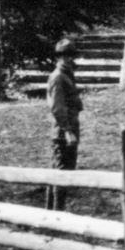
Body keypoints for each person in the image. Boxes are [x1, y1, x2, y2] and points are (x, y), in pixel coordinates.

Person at [45, 37, 83, 211]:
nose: (68, 58)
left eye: (70, 55)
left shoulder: (67, 74)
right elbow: (58, 108)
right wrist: (68, 131)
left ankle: (54, 211)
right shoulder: (58, 77)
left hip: (70, 126)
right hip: (62, 131)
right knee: (60, 172)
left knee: (64, 170)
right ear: (57, 57)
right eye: (63, 55)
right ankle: (55, 213)